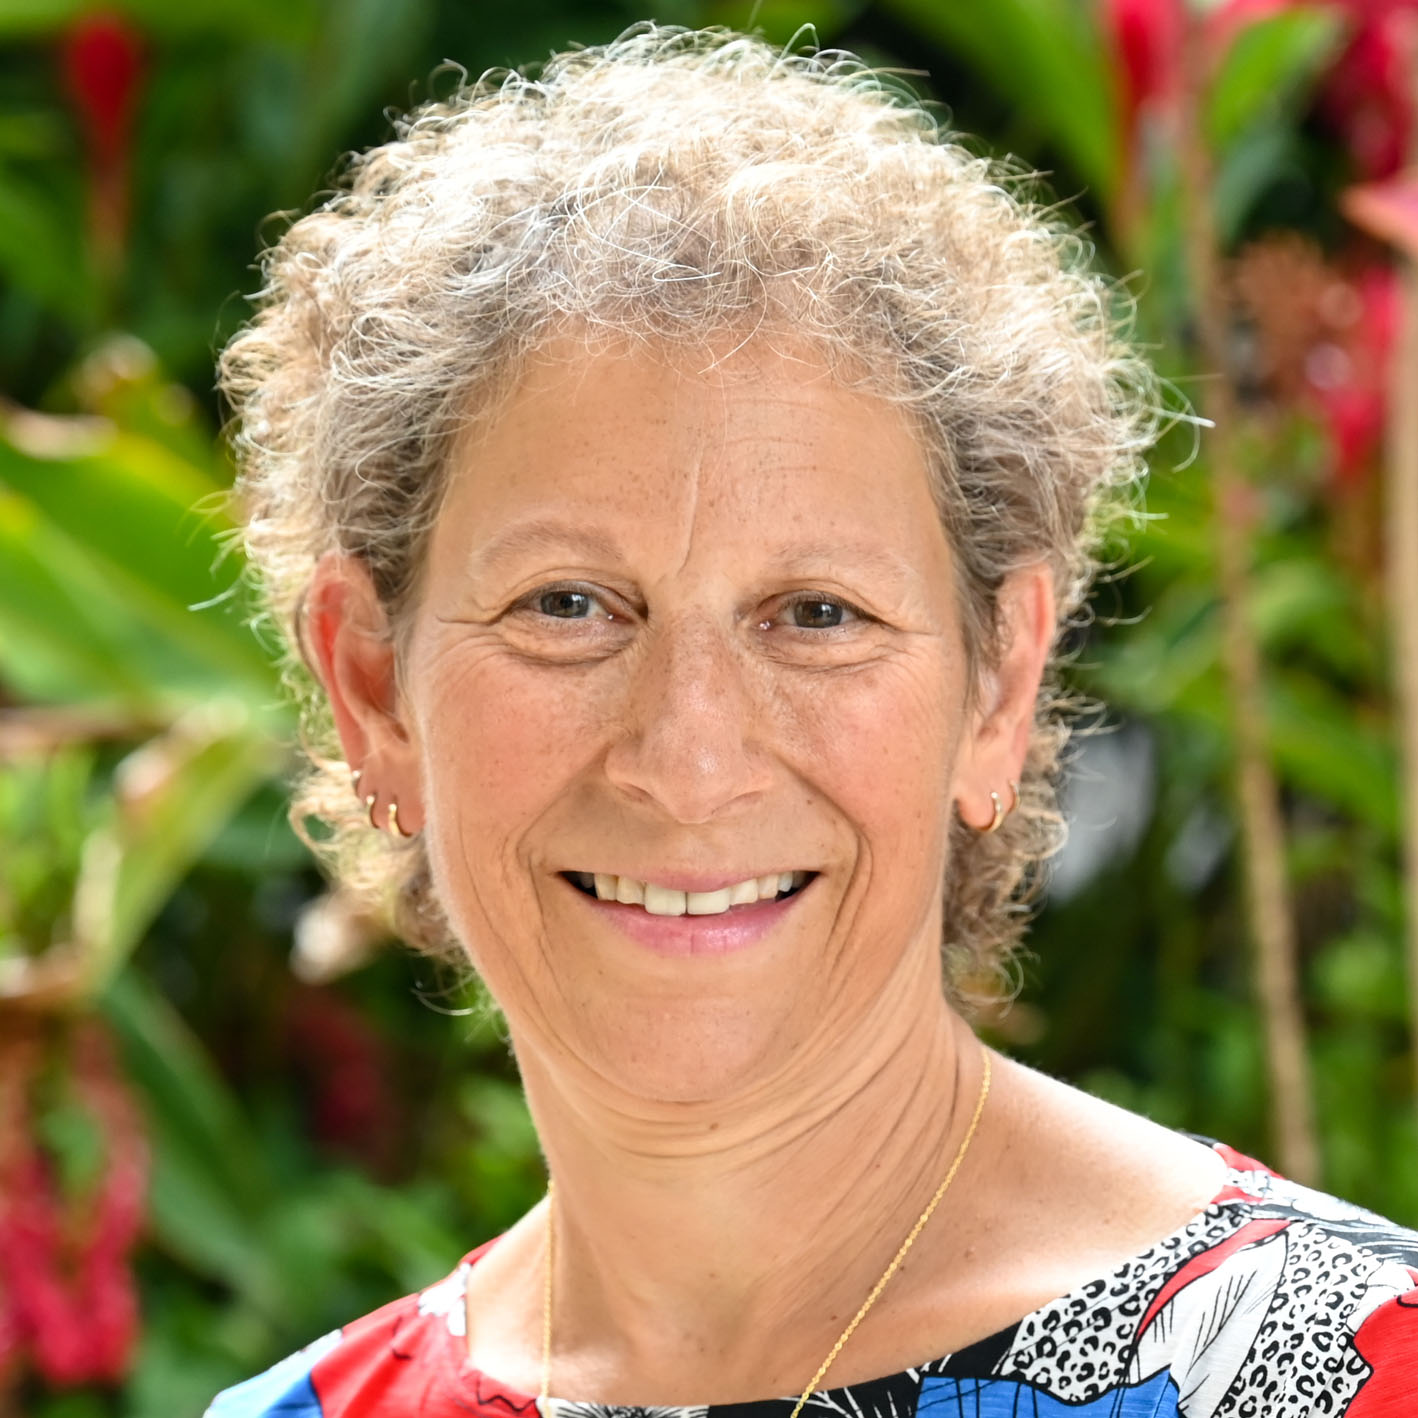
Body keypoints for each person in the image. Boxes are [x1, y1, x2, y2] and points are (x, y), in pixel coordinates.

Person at [205, 24, 1418, 1418]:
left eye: (817, 614)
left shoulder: (1340, 1370)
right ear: (373, 688)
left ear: (996, 686)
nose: (688, 758)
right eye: (567, 605)